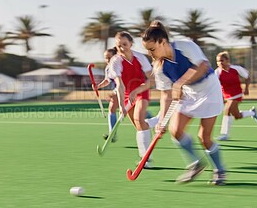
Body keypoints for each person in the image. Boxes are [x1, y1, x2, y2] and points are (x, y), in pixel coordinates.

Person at [142, 20, 226, 185]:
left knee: (204, 137)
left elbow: (202, 66)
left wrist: (179, 84)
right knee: (175, 130)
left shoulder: (185, 46)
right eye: (148, 51)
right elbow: (166, 95)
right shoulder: (159, 68)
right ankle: (196, 164)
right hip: (188, 94)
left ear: (163, 42)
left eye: (152, 49)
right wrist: (161, 120)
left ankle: (219, 170)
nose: (151, 54)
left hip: (209, 90)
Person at [108, 31, 155, 168]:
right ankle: (155, 123)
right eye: (118, 46)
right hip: (127, 94)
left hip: (141, 90)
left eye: (125, 44)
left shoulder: (140, 57)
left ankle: (146, 160)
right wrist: (122, 106)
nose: (122, 48)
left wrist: (137, 90)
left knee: (139, 120)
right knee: (140, 126)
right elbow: (120, 85)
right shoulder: (115, 61)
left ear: (131, 44)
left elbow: (151, 80)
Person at [215, 51, 257, 141]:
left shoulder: (236, 69)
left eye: (222, 60)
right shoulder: (217, 72)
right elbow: (215, 85)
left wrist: (246, 88)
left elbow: (247, 77)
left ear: (227, 60)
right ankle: (252, 113)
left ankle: (225, 134)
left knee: (227, 110)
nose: (220, 63)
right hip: (227, 95)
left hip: (237, 93)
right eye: (218, 61)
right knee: (237, 115)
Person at [93, 48, 120, 141]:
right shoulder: (108, 68)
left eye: (110, 57)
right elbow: (107, 80)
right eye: (106, 58)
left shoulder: (119, 65)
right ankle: (112, 133)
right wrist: (98, 86)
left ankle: (150, 119)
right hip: (118, 90)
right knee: (112, 109)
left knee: (134, 112)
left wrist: (113, 93)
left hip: (127, 89)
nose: (108, 60)